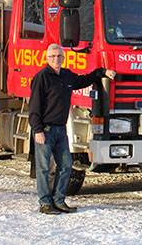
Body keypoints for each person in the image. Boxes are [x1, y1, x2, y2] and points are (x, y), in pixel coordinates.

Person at [29, 43, 116, 214]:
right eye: (52, 56)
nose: (56, 59)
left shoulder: (66, 75)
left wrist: (102, 72)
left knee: (66, 165)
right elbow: (34, 107)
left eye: (59, 56)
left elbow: (83, 80)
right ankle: (45, 203)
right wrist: (37, 130)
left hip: (61, 130)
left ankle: (59, 200)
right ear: (47, 58)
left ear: (63, 57)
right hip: (45, 130)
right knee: (44, 168)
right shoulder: (42, 77)